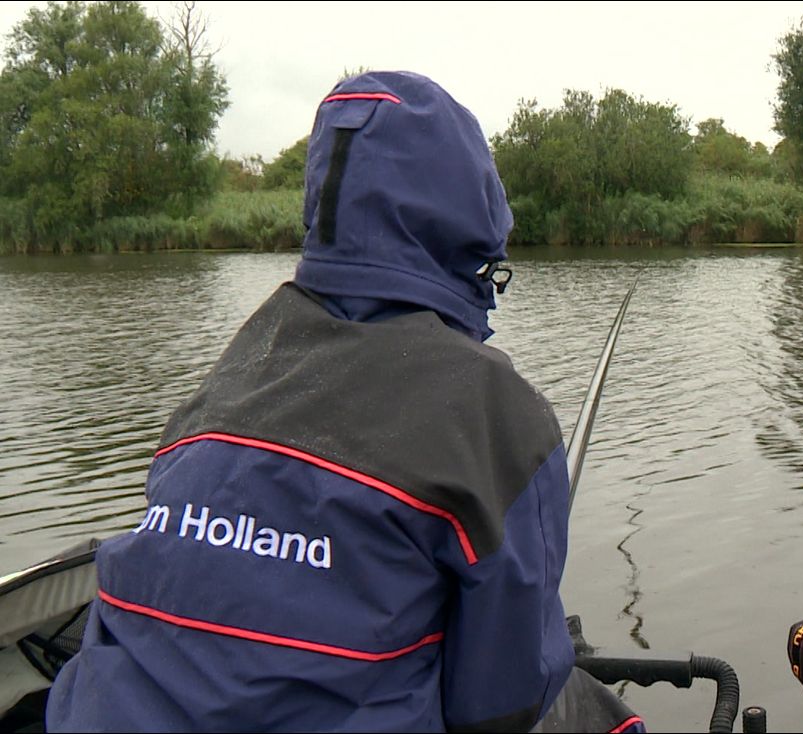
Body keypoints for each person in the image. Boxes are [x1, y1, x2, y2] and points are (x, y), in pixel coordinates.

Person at [46, 70, 642, 733]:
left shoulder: (238, 364)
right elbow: (501, 706)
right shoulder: (499, 413)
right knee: (585, 709)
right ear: (475, 227)